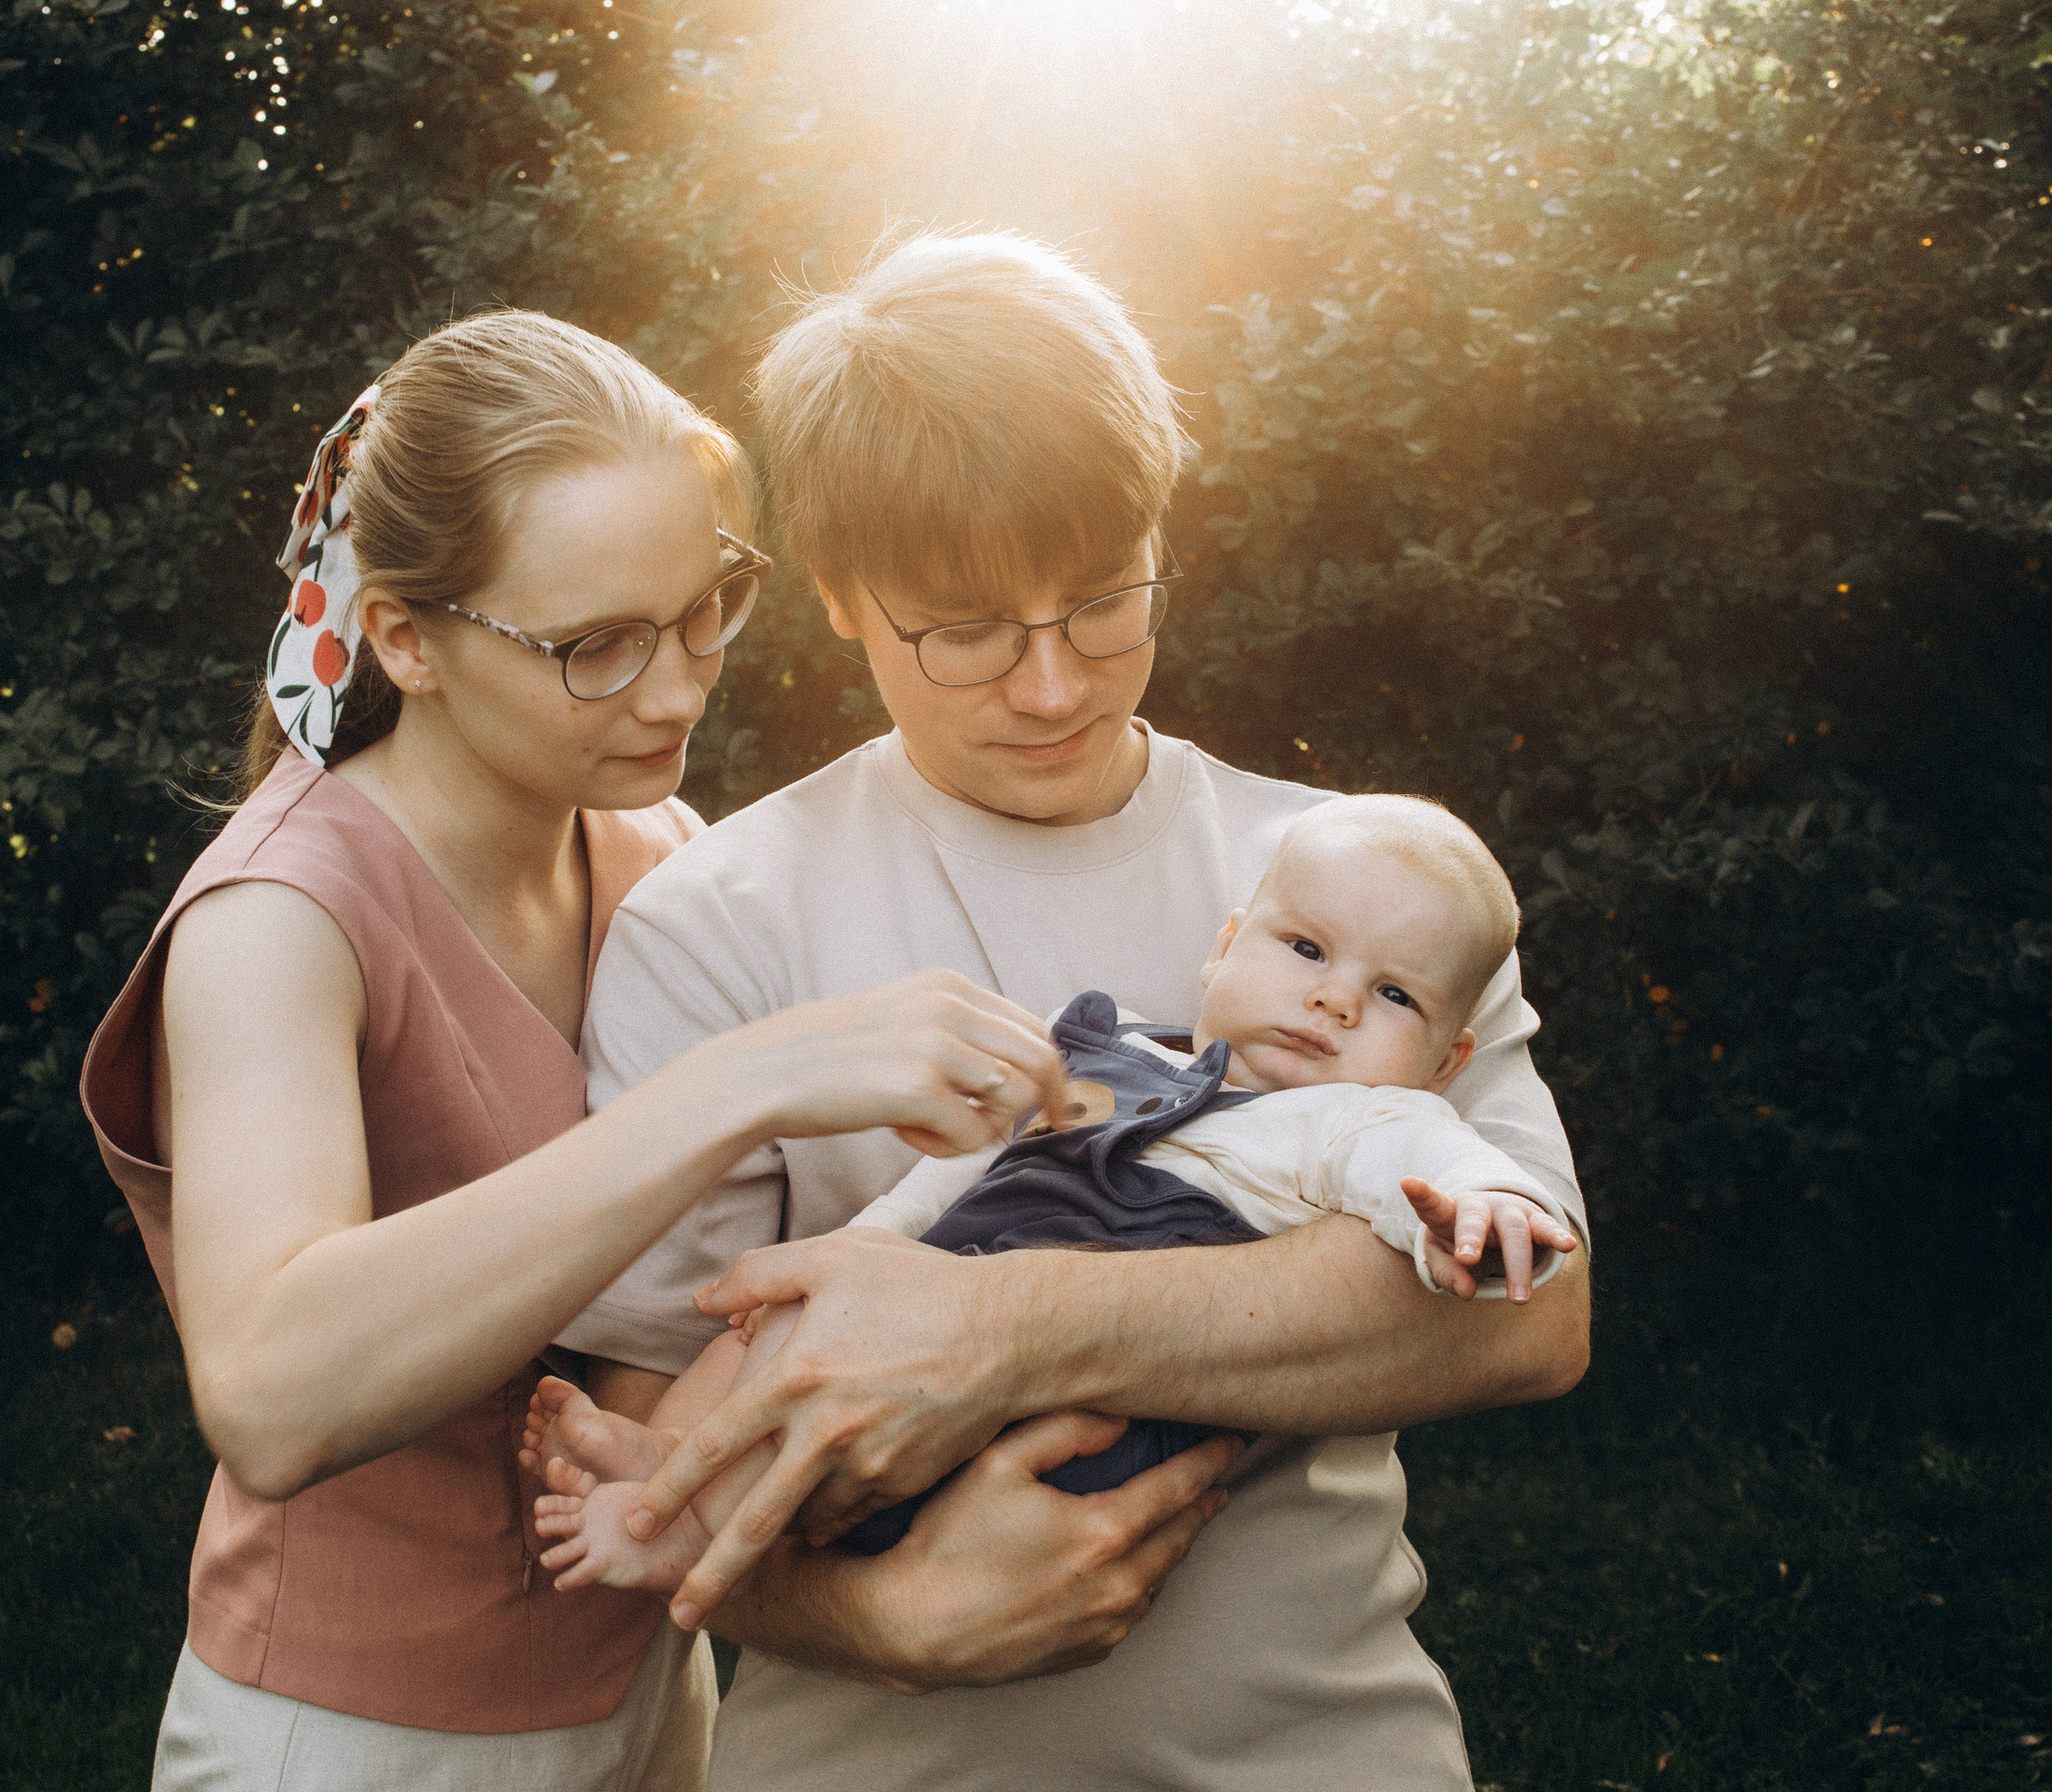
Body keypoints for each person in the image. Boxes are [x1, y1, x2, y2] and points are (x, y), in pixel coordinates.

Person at [553, 234, 1595, 1789]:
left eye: (1102, 602)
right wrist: (883, 1616)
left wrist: (999, 1329)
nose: (1050, 686)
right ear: (836, 598)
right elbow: (644, 1430)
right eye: (963, 629)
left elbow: (1533, 1316)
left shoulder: (1365, 892)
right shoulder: (719, 923)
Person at [77, 310, 1067, 1791]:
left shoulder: (653, 845)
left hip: (646, 1684)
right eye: (594, 646)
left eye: (704, 609)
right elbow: (272, 1394)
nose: (676, 689)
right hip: (360, 1735)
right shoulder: (279, 915)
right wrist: (746, 1080)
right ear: (406, 637)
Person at [524, 792, 1582, 1593]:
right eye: (1304, 948)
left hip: (1087, 1408)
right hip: (934, 1281)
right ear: (1224, 946)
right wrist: (861, 1249)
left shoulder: (1360, 1119)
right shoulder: (1110, 1048)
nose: (1332, 998)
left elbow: (1433, 1173)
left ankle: (708, 1522)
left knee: (910, 1423)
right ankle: (672, 1467)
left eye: (1392, 995)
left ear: (1447, 1063)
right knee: (778, 1325)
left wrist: (1482, 1207)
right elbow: (956, 1174)